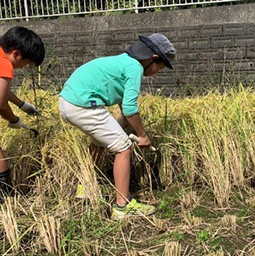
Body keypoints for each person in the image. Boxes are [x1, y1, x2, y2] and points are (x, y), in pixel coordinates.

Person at [59, 33, 175, 220]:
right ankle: (122, 206)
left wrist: (127, 126)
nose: (157, 72)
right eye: (159, 68)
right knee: (124, 148)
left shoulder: (123, 61)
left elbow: (123, 102)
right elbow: (130, 108)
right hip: (83, 104)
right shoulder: (135, 67)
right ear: (153, 58)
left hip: (68, 101)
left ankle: (85, 188)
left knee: (99, 142)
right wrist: (142, 135)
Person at [0, 26, 45, 200]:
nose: (24, 67)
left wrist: (21, 104)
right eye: (26, 63)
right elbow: (1, 103)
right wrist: (14, 119)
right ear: (16, 54)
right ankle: (5, 197)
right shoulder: (5, 63)